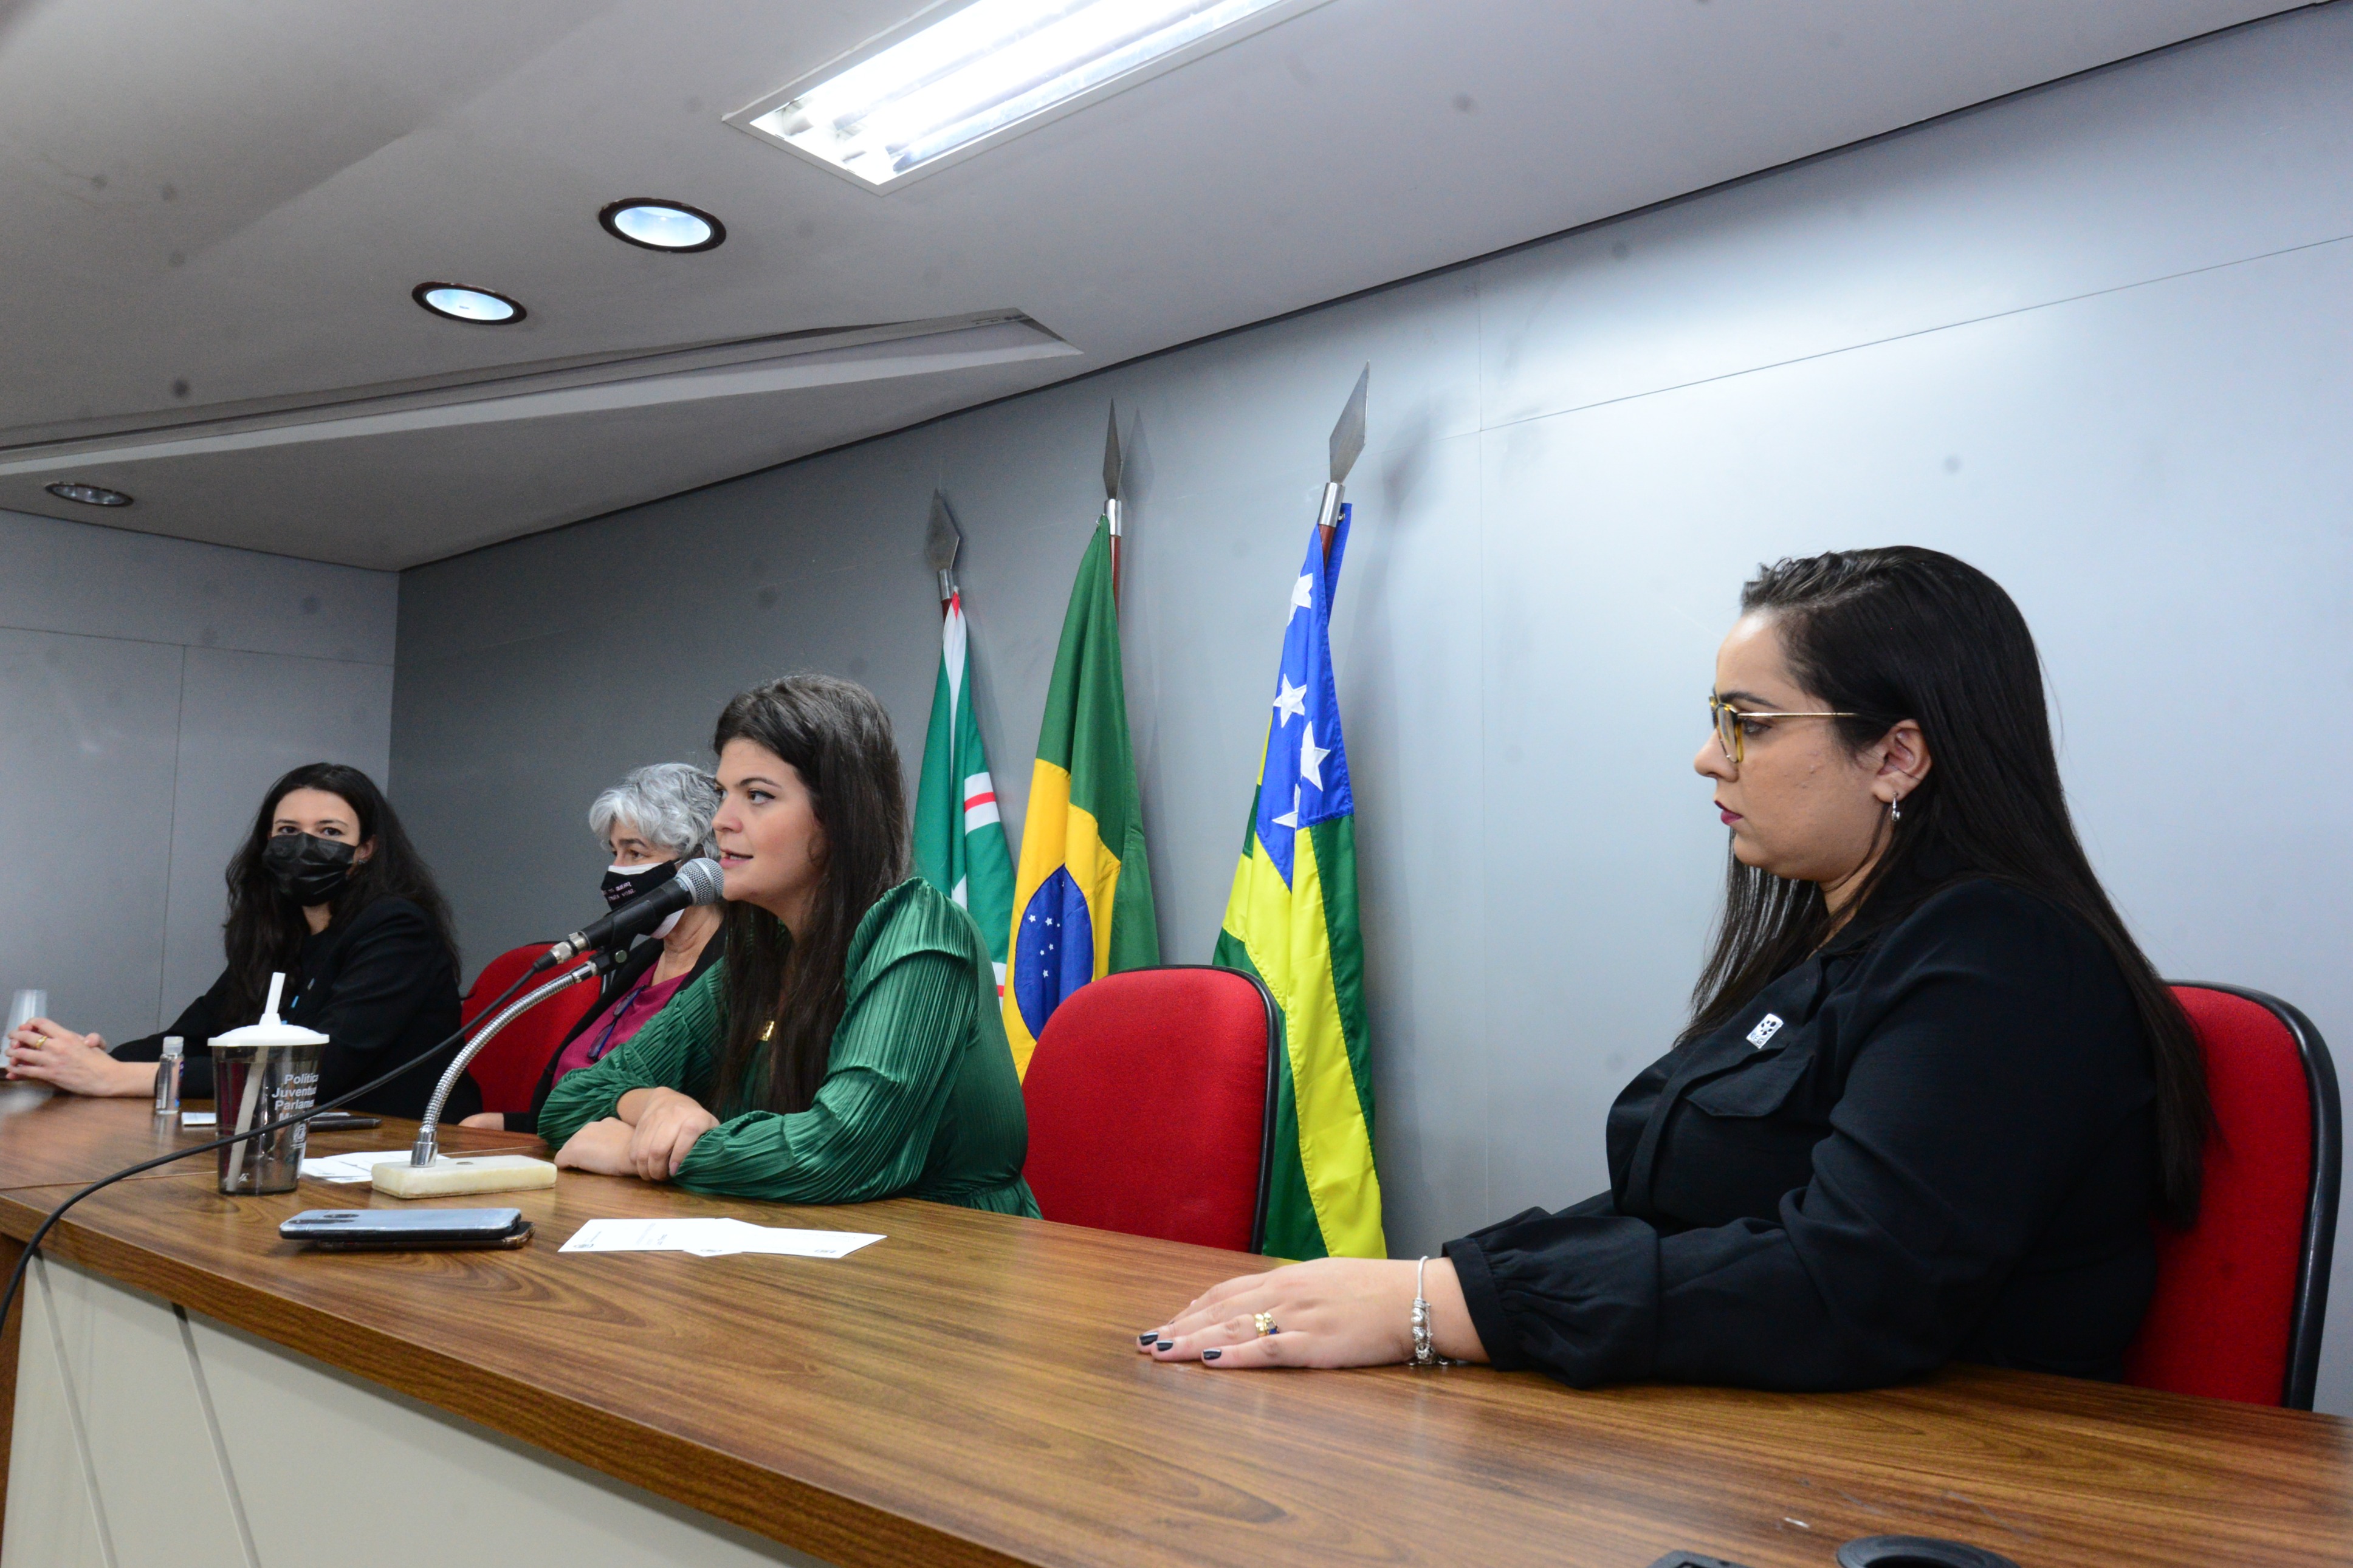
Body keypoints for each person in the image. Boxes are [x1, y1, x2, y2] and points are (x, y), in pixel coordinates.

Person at [1141, 547, 2210, 1389]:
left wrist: (1445, 1310)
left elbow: (1847, 1285)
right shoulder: (1832, 948)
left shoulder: (2003, 961)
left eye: (1748, 725)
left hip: (1956, 1484)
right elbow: (1674, 1216)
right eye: (1716, 721)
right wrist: (1431, 1283)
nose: (1709, 758)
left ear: (1895, 756)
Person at [537, 674, 1038, 1216]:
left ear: (839, 814)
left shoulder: (921, 931)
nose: (721, 822)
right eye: (724, 794)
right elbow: (568, 1101)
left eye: (758, 795)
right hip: (805, 1240)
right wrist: (655, 1103)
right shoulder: (764, 955)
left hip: (953, 1249)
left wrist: (650, 1154)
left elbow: (838, 1151)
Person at [7, 762, 476, 1120]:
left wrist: (117, 1077)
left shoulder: (397, 928)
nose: (304, 845)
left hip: (394, 1144)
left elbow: (314, 1072)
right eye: (288, 831)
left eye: (329, 832)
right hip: (293, 1137)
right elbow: (196, 1036)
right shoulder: (279, 931)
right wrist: (84, 1062)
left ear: (366, 849)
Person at [461, 763, 724, 1135]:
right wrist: (521, 1125)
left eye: (635, 853)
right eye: (615, 852)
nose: (616, 872)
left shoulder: (725, 976)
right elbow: (576, 1089)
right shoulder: (638, 961)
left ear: (698, 863)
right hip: (565, 1138)